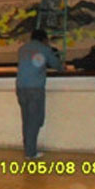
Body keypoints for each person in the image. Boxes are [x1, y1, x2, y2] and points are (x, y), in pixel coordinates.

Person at [16, 28, 63, 159]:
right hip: (35, 88)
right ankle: (30, 152)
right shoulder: (44, 49)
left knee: (26, 120)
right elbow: (56, 64)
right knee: (35, 120)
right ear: (44, 39)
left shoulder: (22, 49)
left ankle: (28, 148)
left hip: (21, 87)